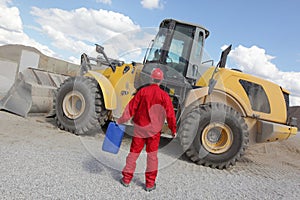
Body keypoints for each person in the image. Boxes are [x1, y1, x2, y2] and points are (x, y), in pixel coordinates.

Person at [117, 68, 177, 192]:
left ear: (151, 78)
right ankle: (150, 184)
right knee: (152, 157)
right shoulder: (164, 96)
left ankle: (126, 179)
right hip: (154, 132)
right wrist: (173, 129)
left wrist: (121, 120)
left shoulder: (142, 92)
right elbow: (170, 114)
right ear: (161, 81)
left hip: (140, 129)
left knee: (133, 154)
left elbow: (131, 108)